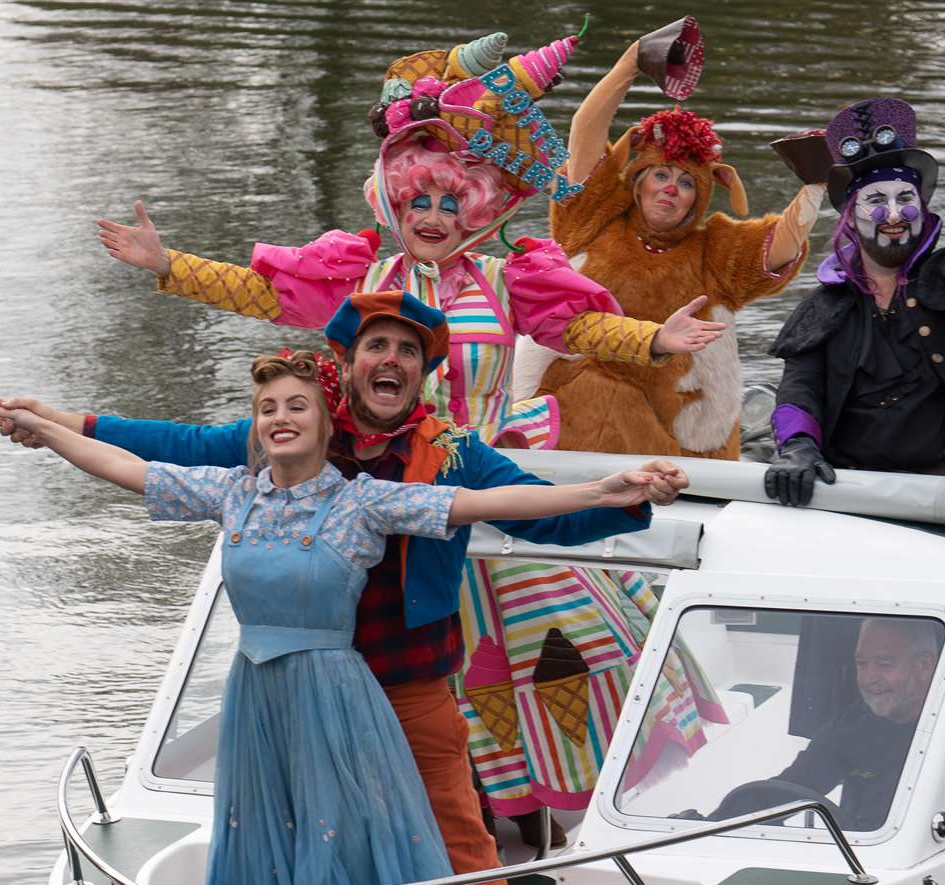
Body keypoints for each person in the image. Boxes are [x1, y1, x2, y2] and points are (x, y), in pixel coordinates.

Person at [93, 32, 720, 834]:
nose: (431, 217)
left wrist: (654, 341)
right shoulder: (359, 277)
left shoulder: (507, 277)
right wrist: (168, 264)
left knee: (555, 649)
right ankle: (421, 818)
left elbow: (584, 329)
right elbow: (263, 296)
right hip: (379, 494)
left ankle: (547, 819)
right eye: (418, 201)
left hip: (478, 482)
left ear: (479, 206)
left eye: (449, 203)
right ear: (393, 202)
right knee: (409, 667)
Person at [0, 292, 686, 885]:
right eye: (377, 345)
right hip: (290, 689)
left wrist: (620, 495)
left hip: (408, 684)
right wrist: (59, 424)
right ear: (346, 366)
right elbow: (174, 449)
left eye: (410, 351)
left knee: (455, 834)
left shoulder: (450, 456)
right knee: (312, 830)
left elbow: (532, 511)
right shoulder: (293, 432)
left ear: (423, 373)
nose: (393, 360)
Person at [516, 26, 820, 460]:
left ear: (700, 196)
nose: (670, 189)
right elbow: (584, 131)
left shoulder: (714, 250)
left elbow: (781, 247)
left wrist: (815, 184)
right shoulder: (591, 220)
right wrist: (630, 62)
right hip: (577, 424)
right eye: (660, 175)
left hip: (682, 439)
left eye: (685, 183)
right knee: (603, 391)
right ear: (637, 183)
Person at [763, 97, 945, 507]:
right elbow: (798, 390)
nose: (894, 214)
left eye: (905, 198)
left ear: (922, 212)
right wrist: (798, 448)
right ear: (852, 218)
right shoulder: (823, 307)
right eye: (876, 201)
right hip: (851, 491)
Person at [696, 618, 945, 831]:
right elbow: (795, 785)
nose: (869, 678)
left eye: (884, 664)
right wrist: (714, 824)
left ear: (924, 664)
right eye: (861, 663)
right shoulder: (853, 724)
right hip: (860, 853)